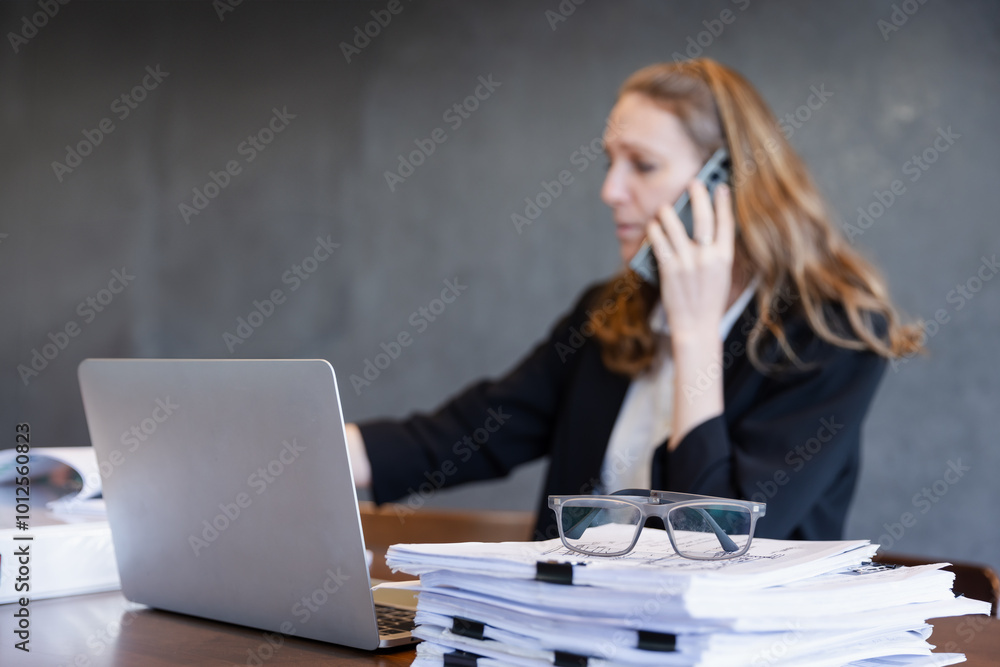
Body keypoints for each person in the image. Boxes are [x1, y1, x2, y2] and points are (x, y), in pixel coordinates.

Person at [345, 58, 923, 542]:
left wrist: (696, 337)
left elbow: (715, 541)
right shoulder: (611, 309)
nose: (610, 191)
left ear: (728, 182)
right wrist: (322, 450)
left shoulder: (830, 336)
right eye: (610, 161)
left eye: (642, 165)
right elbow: (478, 431)